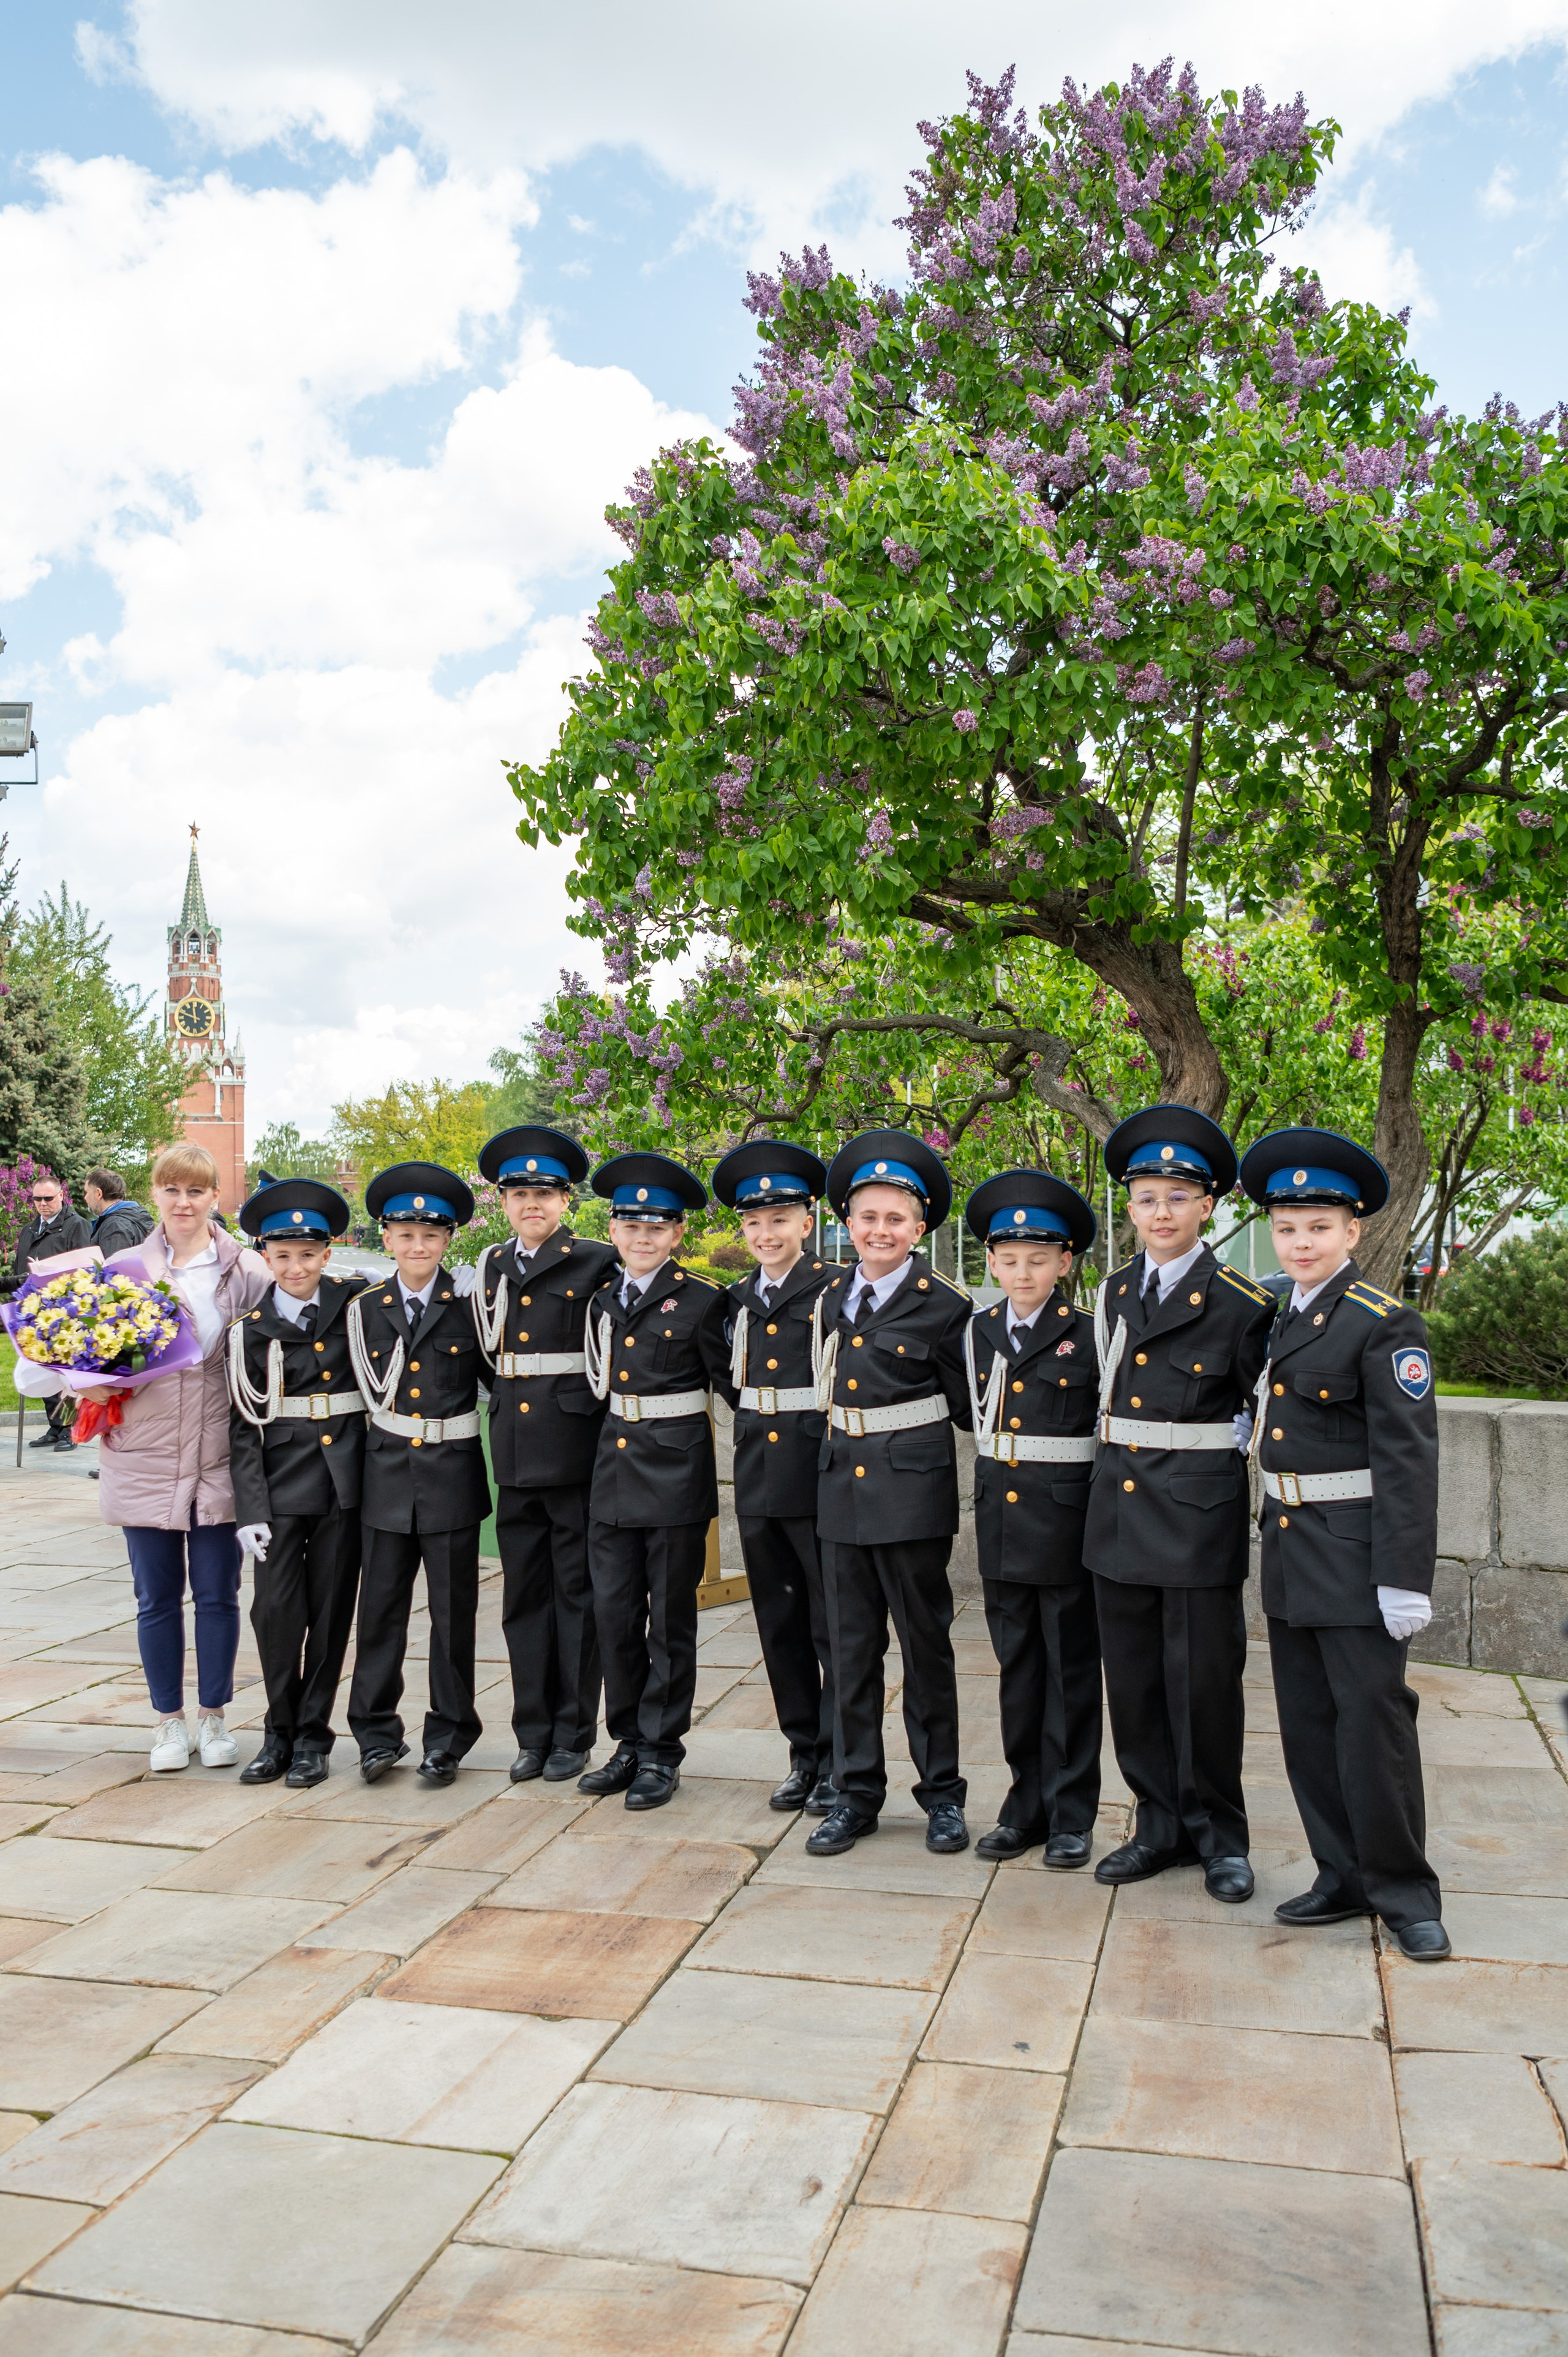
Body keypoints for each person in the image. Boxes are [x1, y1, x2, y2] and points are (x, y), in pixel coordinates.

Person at [1237, 1126, 1450, 1962]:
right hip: (1289, 1548)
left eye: (1318, 1227)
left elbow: (1408, 1462)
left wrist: (1403, 1577)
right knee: (1308, 1724)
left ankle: (1405, 1893)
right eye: (1288, 1228)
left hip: (1358, 1560)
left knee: (1373, 1724)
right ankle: (1341, 1873)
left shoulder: (1383, 1324)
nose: (1300, 1243)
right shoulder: (1278, 1314)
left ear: (1353, 1232)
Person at [1085, 1104, 1274, 1904]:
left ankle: (1219, 1837)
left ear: (1207, 1206)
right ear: (1130, 1208)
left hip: (1197, 1524)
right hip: (1120, 1522)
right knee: (1132, 1687)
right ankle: (1157, 1825)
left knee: (1203, 1687)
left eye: (1177, 1198)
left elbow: (1262, 1420)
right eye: (1147, 1198)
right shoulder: (1115, 1293)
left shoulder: (1242, 1304)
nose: (1160, 1214)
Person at [807, 1129, 971, 1859]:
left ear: (920, 1228)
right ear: (847, 1222)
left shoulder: (946, 1306)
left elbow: (970, 1405)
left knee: (925, 1649)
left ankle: (941, 1796)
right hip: (841, 1491)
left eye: (896, 1219)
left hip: (911, 1497)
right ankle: (854, 1793)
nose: (880, 1230)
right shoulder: (827, 1295)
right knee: (848, 1652)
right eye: (868, 1217)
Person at [88, 1142, 271, 1772]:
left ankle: (215, 1716)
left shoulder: (245, 1270)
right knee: (156, 1596)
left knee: (219, 1593)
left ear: (215, 1197)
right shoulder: (122, 1269)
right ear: (156, 1194)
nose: (184, 1201)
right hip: (144, 1452)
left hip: (220, 1454)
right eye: (172, 1188)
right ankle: (168, 1722)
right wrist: (86, 1381)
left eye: (196, 1190)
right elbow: (84, 1356)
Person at [578, 1152, 733, 1812]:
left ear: (676, 1234)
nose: (642, 1237)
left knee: (668, 1622)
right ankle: (627, 1741)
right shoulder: (602, 1300)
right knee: (614, 1616)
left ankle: (662, 1750)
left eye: (657, 1227)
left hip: (674, 1477)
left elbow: (734, 1386)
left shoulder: (703, 1300)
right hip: (613, 1473)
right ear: (612, 1229)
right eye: (630, 1225)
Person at [963, 1169, 1102, 1866]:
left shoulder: (1089, 1333)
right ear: (990, 1261)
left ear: (1064, 1262)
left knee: (1072, 1670)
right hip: (1002, 1527)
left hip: (1068, 1524)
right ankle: (1024, 1805)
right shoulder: (977, 1330)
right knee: (1017, 1668)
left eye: (1038, 1259)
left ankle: (1072, 1813)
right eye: (1009, 1259)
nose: (1023, 1271)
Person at [473, 1124, 618, 1786]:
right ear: (502, 1200)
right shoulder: (491, 1265)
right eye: (519, 1192)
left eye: (545, 1192)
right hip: (512, 1450)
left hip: (575, 1448)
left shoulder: (596, 1262)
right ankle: (532, 1731)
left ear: (567, 1201)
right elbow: (488, 1355)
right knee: (522, 1598)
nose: (532, 1202)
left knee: (577, 1596)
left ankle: (573, 1731)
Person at [343, 1163, 487, 1787]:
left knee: (454, 1616)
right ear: (386, 1237)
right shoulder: (365, 1309)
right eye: (405, 1234)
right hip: (385, 1476)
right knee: (379, 1612)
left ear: (448, 1239)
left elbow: (499, 1382)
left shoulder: (472, 1306)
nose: (418, 1246)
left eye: (430, 1235)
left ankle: (448, 1737)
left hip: (452, 1474)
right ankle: (375, 1734)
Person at [227, 1174, 369, 1789]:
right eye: (282, 1256)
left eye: (307, 1254)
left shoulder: (355, 1306)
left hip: (343, 1485)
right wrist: (248, 1509)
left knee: (333, 1613)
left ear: (327, 1252)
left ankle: (313, 1735)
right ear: (265, 1257)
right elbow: (240, 1426)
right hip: (280, 1489)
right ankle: (276, 1730)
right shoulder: (248, 1329)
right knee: (277, 1612)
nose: (296, 1266)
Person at [711, 1139, 837, 1814]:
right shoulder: (731, 1301)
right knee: (779, 1626)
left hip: (818, 1479)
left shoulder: (836, 1290)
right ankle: (803, 1754)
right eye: (754, 1221)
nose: (766, 1233)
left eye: (780, 1218)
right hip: (757, 1479)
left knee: (831, 1627)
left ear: (807, 1220)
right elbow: (731, 1386)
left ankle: (843, 1760)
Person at [11, 1172, 92, 1452]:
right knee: (44, 1366)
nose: (43, 1204)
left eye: (48, 1198)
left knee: (67, 1374)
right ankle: (55, 1427)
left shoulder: (76, 1225)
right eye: (37, 1199)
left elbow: (83, 1265)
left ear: (61, 1196)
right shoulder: (30, 1228)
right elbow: (21, 1267)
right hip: (36, 1308)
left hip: (65, 1307)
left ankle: (72, 1430)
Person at [84, 1169, 155, 1261]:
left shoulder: (115, 1226)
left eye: (87, 1192)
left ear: (99, 1194)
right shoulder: (133, 1216)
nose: (85, 1198)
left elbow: (114, 1270)